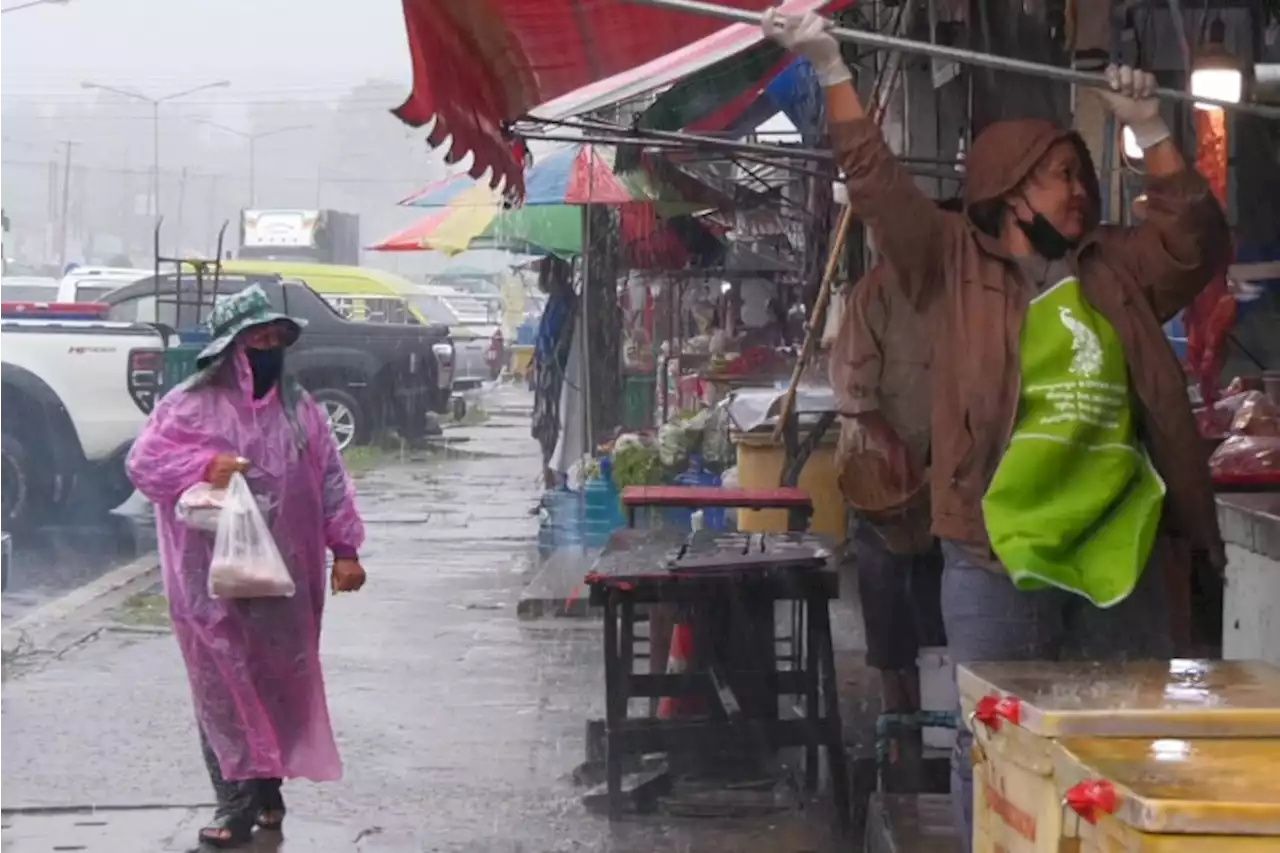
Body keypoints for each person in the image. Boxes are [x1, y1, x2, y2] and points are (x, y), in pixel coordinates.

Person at [765, 11, 1230, 848]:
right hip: (993, 552)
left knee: (1118, 756)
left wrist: (1155, 130)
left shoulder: (1116, 264)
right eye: (1059, 175)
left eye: (1081, 173)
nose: (1079, 190)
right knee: (999, 751)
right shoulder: (949, 261)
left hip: (1119, 553)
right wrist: (830, 65)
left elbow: (1196, 245)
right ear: (1009, 189)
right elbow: (876, 182)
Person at [127, 285, 367, 849]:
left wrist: (347, 548)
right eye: (257, 338)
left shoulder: (298, 406)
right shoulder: (189, 405)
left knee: (277, 681)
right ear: (231, 347)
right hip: (208, 579)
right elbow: (145, 463)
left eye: (277, 337)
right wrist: (205, 465)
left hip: (288, 575)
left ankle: (268, 791)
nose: (269, 347)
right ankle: (234, 803)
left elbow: (330, 475)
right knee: (221, 684)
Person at [831, 202, 962, 719]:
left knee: (937, 590)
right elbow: (854, 390)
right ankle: (896, 709)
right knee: (884, 582)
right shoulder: (874, 294)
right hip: (878, 467)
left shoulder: (965, 296)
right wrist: (892, 445)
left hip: (943, 467)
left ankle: (936, 710)